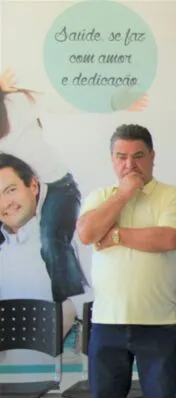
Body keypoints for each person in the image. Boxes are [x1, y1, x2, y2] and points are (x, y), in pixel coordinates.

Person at [76, 125, 176, 398]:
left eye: (138, 156)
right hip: (107, 322)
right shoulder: (100, 196)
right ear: (113, 160)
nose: (130, 164)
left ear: (152, 156)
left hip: (156, 321)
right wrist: (123, 197)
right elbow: (89, 233)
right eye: (122, 157)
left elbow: (168, 238)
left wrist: (119, 235)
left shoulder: (171, 196)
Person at [0, 71, 88, 302]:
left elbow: (61, 105)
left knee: (51, 242)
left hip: (56, 186)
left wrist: (113, 101)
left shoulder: (15, 104)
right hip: (14, 191)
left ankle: (71, 316)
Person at [0, 154, 89, 338]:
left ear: (33, 186)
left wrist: (71, 308)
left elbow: (103, 295)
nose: (5, 203)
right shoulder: (4, 248)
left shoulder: (68, 234)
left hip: (61, 356)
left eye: (11, 190)